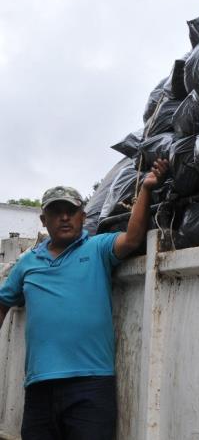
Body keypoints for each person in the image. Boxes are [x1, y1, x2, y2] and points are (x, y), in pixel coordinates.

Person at [0, 159, 168, 440]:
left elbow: (133, 238)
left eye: (71, 211)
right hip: (39, 388)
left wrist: (147, 189)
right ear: (44, 221)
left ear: (83, 215)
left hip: (91, 386)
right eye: (56, 213)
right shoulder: (27, 263)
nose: (64, 218)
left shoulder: (98, 247)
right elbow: (4, 302)